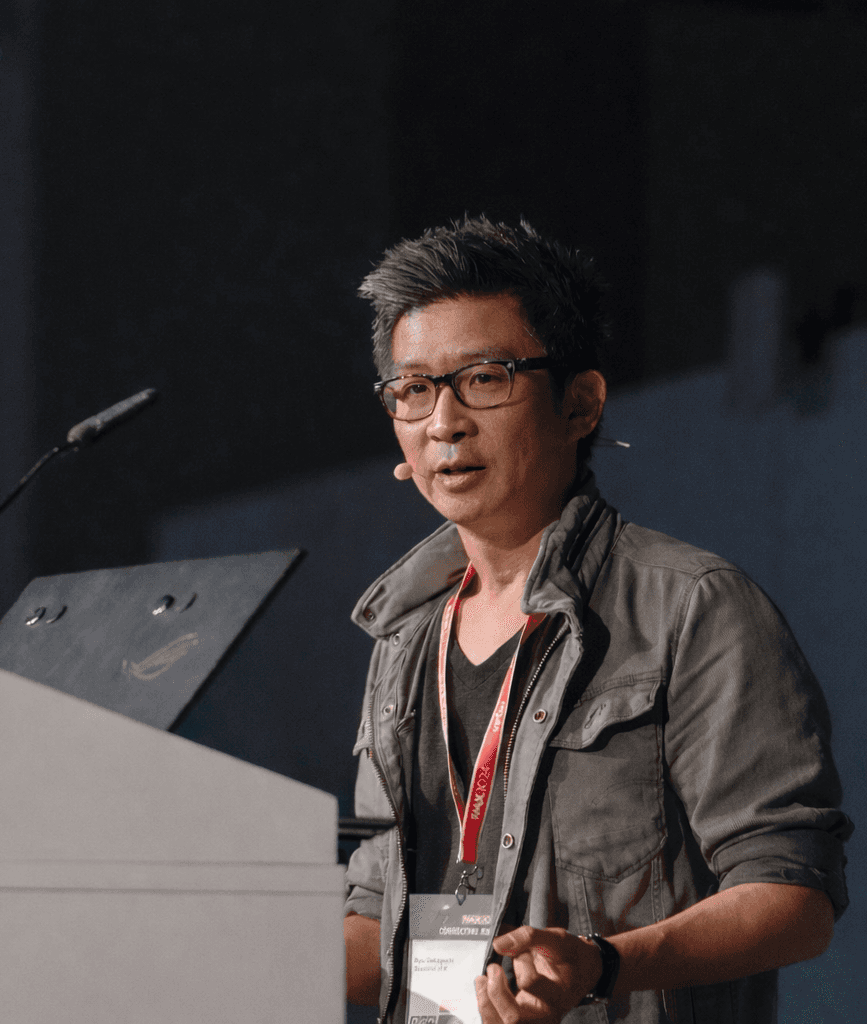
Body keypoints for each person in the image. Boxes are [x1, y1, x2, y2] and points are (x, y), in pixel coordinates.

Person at [342, 216, 851, 1024]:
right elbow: (382, 922)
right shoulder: (405, 641)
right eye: (413, 389)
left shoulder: (691, 607)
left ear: (581, 402)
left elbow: (794, 896)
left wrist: (606, 964)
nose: (444, 421)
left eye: (483, 378)